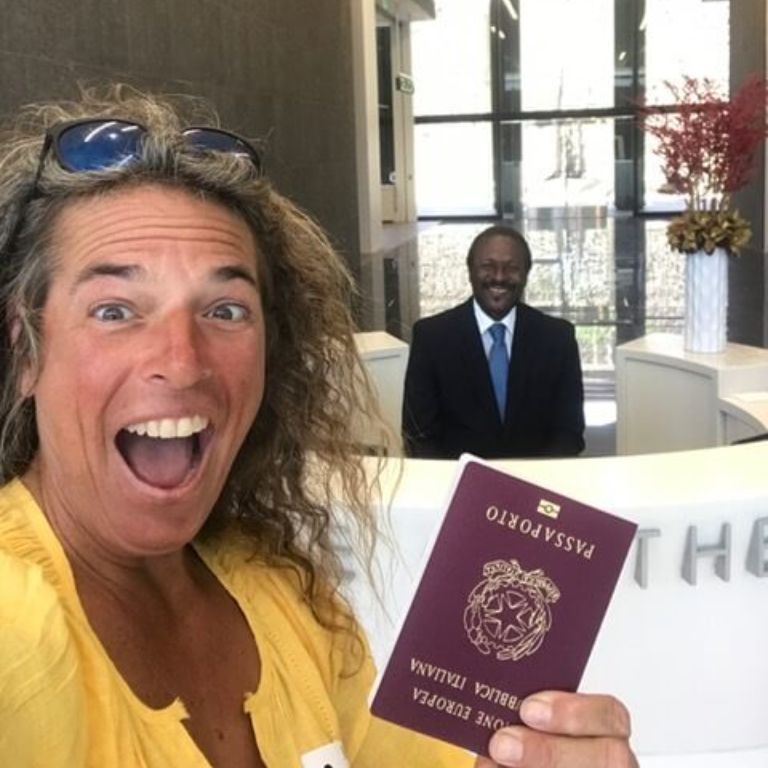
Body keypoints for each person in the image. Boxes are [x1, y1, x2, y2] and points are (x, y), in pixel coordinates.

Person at [0, 86, 636, 767]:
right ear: (24, 349)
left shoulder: (279, 592)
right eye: (115, 310)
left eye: (225, 310)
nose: (182, 363)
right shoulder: (15, 621)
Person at [402, 225, 585, 459]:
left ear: (526, 274)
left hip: (537, 477)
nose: (499, 277)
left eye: (512, 268)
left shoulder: (558, 338)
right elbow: (418, 436)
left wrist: (536, 476)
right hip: (457, 478)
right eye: (487, 267)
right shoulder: (432, 337)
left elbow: (569, 432)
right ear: (470, 271)